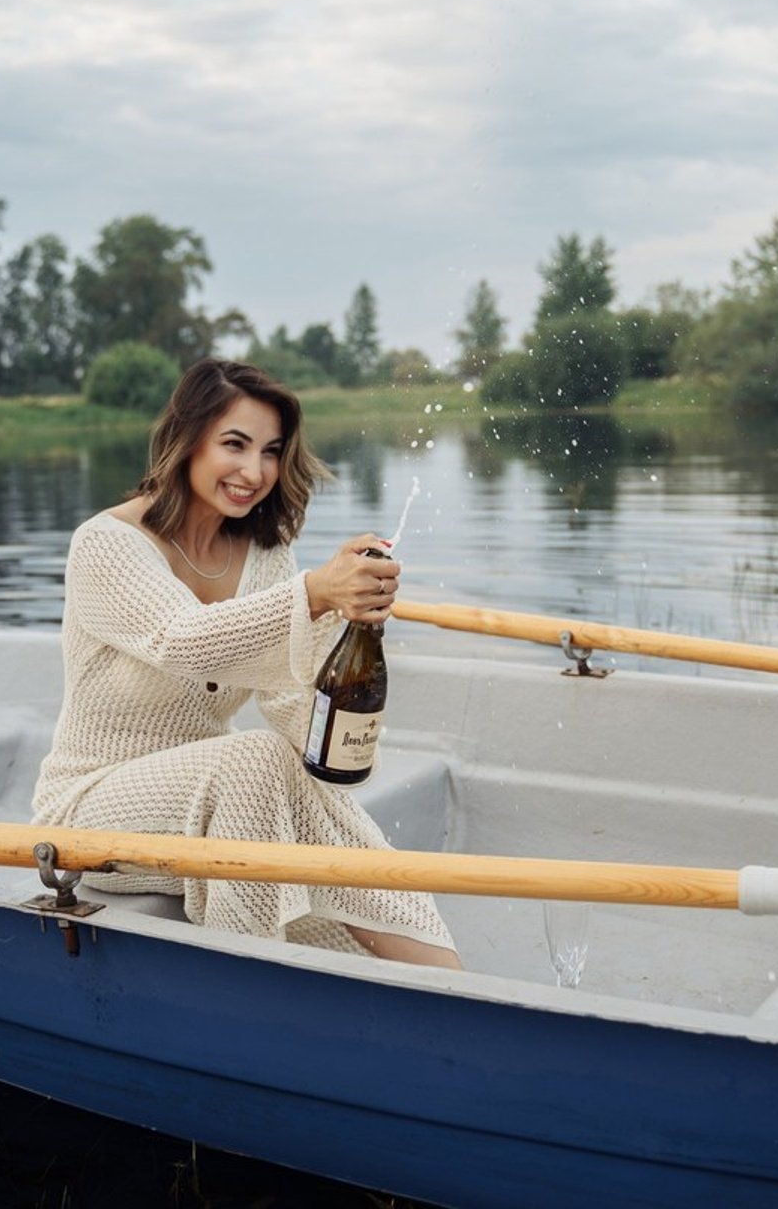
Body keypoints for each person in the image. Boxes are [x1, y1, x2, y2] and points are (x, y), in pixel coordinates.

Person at [32, 359, 462, 969]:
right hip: (89, 805)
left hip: (210, 808)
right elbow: (182, 640)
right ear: (188, 438)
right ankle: (250, 980)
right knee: (254, 760)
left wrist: (342, 632)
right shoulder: (105, 544)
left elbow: (291, 706)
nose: (254, 471)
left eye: (271, 451)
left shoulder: (265, 554)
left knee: (297, 784)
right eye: (234, 444)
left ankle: (448, 978)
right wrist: (315, 593)